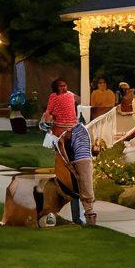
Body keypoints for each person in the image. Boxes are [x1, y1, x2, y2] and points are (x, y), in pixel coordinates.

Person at [42, 78, 95, 225]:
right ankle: (76, 215)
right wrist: (49, 121)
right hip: (61, 134)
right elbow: (48, 113)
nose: (64, 88)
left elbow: (81, 99)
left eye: (65, 85)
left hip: (73, 132)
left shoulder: (70, 95)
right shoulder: (53, 98)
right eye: (61, 86)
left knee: (80, 177)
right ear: (56, 88)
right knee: (69, 179)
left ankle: (84, 213)